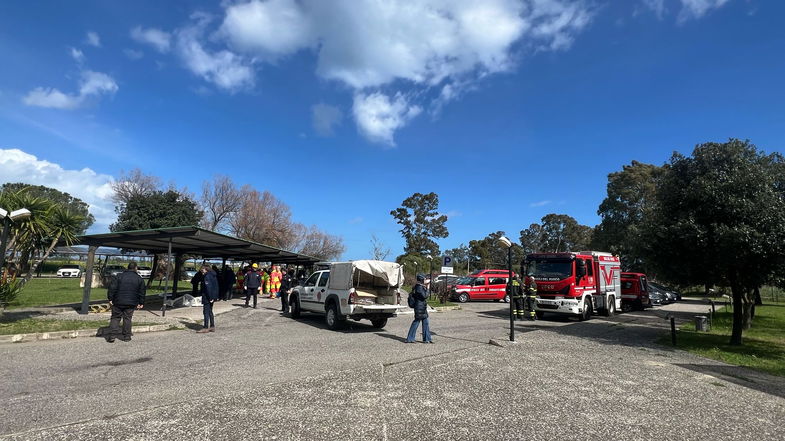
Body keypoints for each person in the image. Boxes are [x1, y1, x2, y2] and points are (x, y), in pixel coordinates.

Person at [106, 262, 145, 343]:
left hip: (118, 301)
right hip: (131, 302)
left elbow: (112, 288)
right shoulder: (139, 278)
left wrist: (110, 299)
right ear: (136, 268)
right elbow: (142, 292)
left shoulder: (119, 276)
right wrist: (141, 302)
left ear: (127, 268)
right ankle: (127, 336)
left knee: (115, 318)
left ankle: (112, 336)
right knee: (127, 318)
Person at [405, 274, 433, 343]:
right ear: (421, 280)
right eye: (425, 279)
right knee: (416, 322)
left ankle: (427, 339)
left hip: (422, 307)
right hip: (419, 307)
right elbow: (424, 296)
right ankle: (410, 338)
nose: (426, 280)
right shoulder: (418, 287)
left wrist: (425, 287)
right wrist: (428, 288)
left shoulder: (420, 286)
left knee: (425, 322)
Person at [197, 265, 220, 333]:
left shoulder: (207, 276)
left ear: (205, 269)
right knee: (210, 311)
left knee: (206, 312)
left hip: (207, 297)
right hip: (212, 296)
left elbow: (208, 288)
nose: (202, 272)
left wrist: (210, 297)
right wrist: (214, 297)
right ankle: (212, 326)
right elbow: (215, 286)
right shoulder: (213, 275)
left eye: (202, 270)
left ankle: (205, 327)